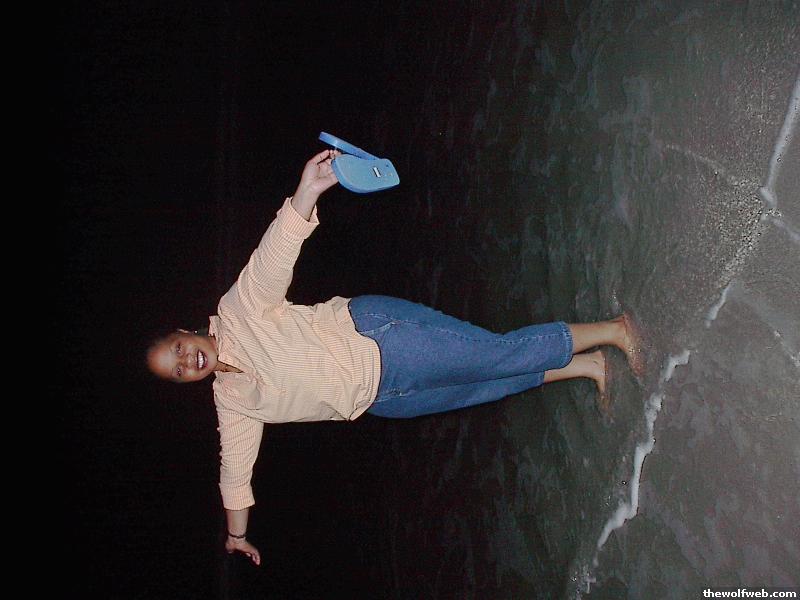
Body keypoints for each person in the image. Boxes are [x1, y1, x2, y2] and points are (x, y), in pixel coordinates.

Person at [146, 149, 644, 566]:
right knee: (485, 385)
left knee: (497, 353)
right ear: (185, 382)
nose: (186, 362)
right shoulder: (233, 402)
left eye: (178, 350)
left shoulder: (237, 312)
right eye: (178, 371)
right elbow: (235, 474)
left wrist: (308, 190)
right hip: (381, 398)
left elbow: (273, 256)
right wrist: (236, 535)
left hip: (381, 337)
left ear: (186, 333)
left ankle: (614, 330)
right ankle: (589, 365)